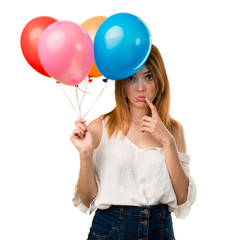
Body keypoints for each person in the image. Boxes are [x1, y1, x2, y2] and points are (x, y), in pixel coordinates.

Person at [71, 44, 197, 240]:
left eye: (148, 76)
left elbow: (182, 198)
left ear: (160, 80)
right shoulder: (99, 127)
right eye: (132, 78)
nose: (141, 87)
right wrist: (85, 154)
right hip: (110, 230)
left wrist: (167, 142)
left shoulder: (173, 131)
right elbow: (87, 200)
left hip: (160, 230)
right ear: (122, 82)